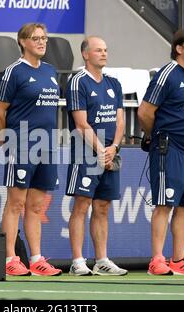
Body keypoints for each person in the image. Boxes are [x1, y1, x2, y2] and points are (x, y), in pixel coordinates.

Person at [137, 28, 184, 276]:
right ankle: (157, 259)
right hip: (170, 149)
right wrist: (155, 136)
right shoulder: (166, 74)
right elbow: (145, 112)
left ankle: (179, 259)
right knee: (164, 204)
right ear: (179, 48)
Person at [0, 23, 62, 276]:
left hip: (46, 145)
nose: (42, 42)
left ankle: (36, 259)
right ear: (22, 42)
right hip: (21, 145)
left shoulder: (51, 71)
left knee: (36, 206)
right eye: (36, 38)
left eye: (44, 38)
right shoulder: (14, 72)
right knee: (16, 203)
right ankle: (9, 258)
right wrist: (7, 138)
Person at [65, 36, 127, 276]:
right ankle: (78, 261)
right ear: (85, 54)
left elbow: (119, 118)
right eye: (98, 50)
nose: (104, 54)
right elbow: (81, 124)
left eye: (105, 50)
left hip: (109, 153)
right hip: (86, 154)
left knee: (102, 206)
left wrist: (114, 148)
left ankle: (101, 259)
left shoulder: (114, 83)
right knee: (82, 205)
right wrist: (101, 151)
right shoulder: (77, 81)